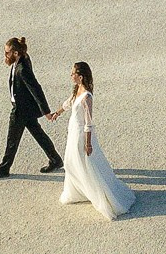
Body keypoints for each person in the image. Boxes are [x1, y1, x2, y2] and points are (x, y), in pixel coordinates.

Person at [50, 61, 135, 219]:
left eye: (73, 73)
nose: (71, 75)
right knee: (71, 162)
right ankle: (78, 190)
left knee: (81, 163)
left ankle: (95, 192)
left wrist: (88, 143)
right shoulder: (77, 90)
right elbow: (68, 103)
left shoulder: (87, 97)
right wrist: (57, 113)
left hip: (80, 135)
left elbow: (88, 123)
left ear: (80, 77)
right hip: (73, 132)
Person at [0, 37, 63, 179]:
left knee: (12, 140)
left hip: (20, 110)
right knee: (38, 134)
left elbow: (36, 89)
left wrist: (46, 111)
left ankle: (3, 169)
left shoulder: (23, 69)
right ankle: (55, 159)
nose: (5, 55)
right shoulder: (21, 60)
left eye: (7, 52)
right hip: (26, 109)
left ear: (15, 53)